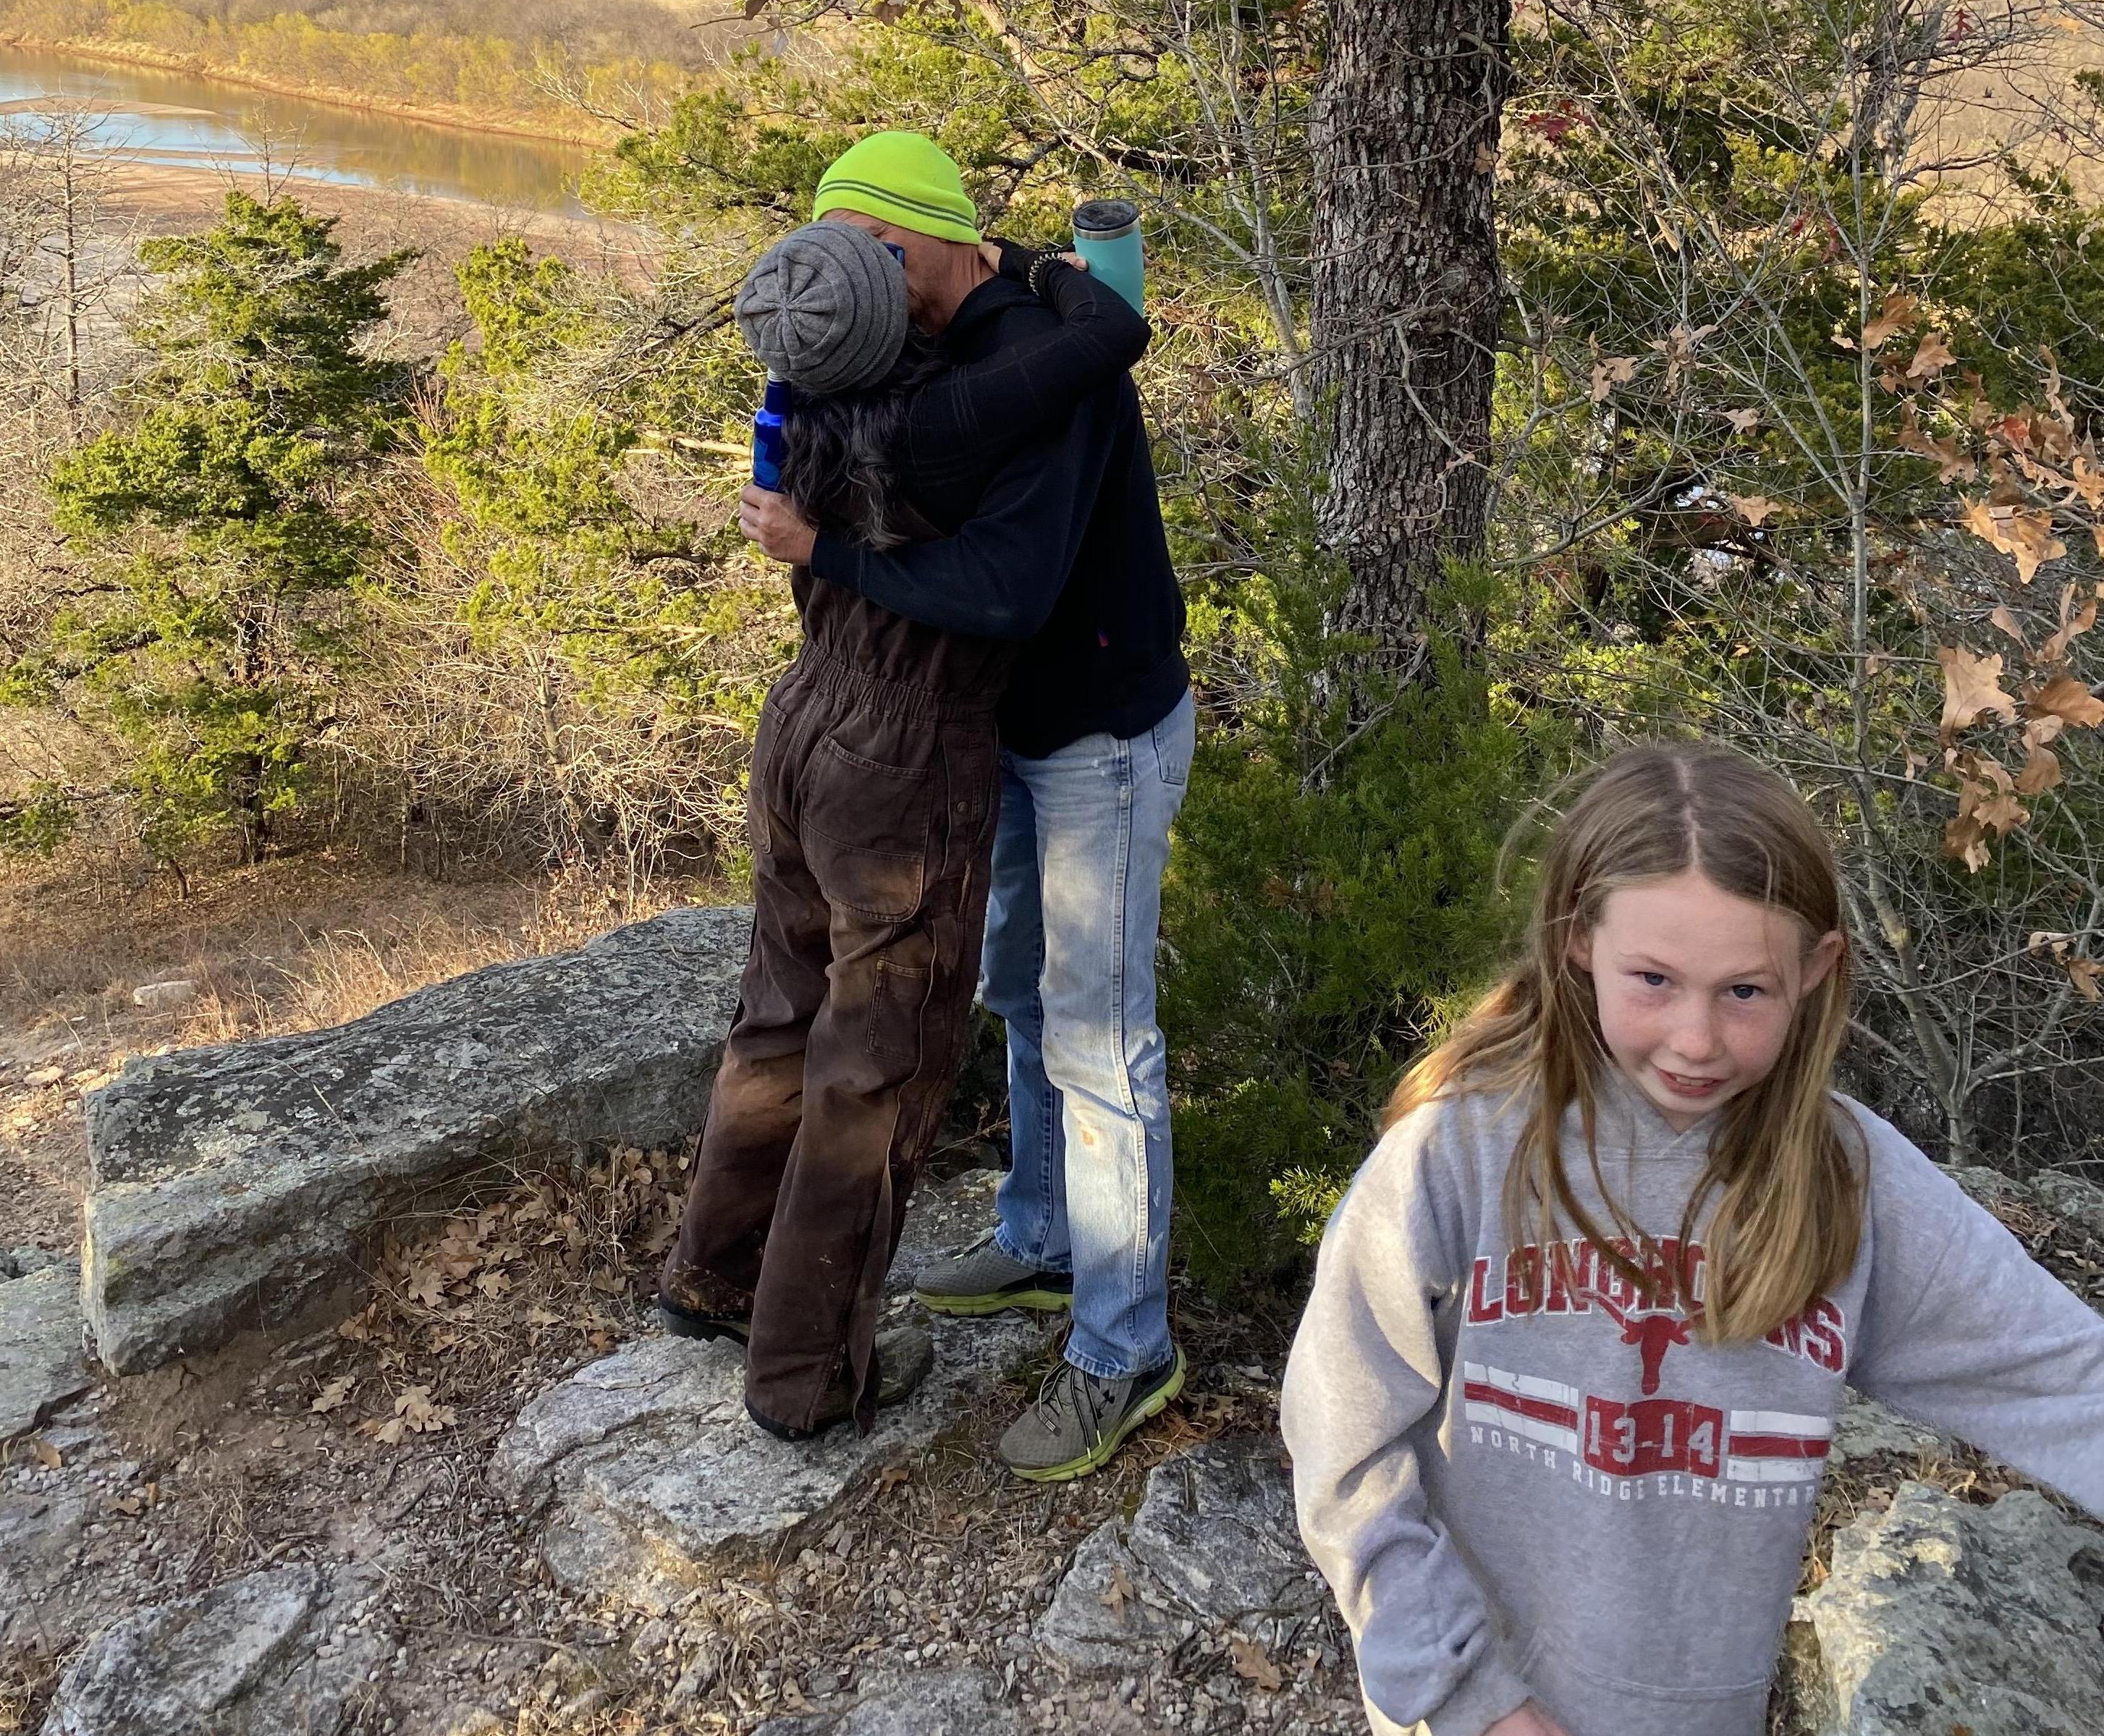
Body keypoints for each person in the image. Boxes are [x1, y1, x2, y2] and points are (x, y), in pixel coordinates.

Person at [1279, 742, 2104, 1736]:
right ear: (1579, 938)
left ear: (1816, 970)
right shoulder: (1457, 1153)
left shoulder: (1849, 1182)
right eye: (1655, 979)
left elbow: (2063, 1377)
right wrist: (1469, 1696)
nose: (1697, 1038)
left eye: (1744, 991)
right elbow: (1341, 1435)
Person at [659, 171, 1156, 1442]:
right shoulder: (950, 405)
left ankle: (720, 1278)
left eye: (881, 241)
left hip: (818, 725)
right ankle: (805, 1371)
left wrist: (1044, 279)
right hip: (906, 751)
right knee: (872, 1067)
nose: (873, 265)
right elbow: (1003, 581)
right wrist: (1069, 281)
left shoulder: (807, 392)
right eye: (855, 250)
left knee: (786, 1014)